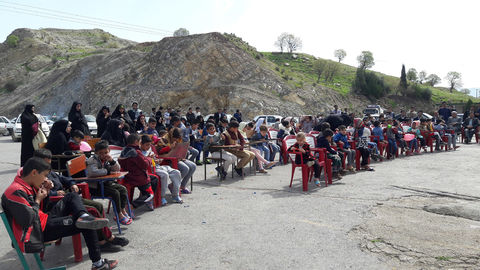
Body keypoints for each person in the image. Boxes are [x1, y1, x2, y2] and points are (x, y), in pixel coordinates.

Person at [1, 157, 118, 269]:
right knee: (88, 225)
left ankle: (83, 216)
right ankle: (98, 265)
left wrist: (47, 191)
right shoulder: (15, 191)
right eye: (45, 176)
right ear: (34, 172)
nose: (46, 179)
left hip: (42, 220)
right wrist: (38, 200)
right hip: (36, 231)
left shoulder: (26, 184)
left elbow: (42, 209)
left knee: (71, 197)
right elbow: (28, 220)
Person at [33, 149, 129, 252]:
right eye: (46, 162)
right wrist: (54, 193)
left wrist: (72, 184)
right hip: (57, 205)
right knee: (92, 210)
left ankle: (103, 237)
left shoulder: (49, 171)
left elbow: (64, 178)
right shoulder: (36, 175)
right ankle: (104, 240)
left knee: (98, 206)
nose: (48, 165)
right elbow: (38, 194)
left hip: (68, 198)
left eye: (49, 162)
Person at [86, 140, 132, 225]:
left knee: (123, 189)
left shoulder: (108, 158)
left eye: (105, 152)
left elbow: (117, 169)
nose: (103, 155)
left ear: (109, 151)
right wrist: (107, 171)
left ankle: (122, 210)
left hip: (106, 184)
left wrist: (112, 161)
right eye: (100, 153)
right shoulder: (92, 160)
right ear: (96, 153)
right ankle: (119, 214)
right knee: (115, 193)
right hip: (96, 187)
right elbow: (92, 172)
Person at [117, 134, 156, 211]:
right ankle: (132, 206)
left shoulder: (124, 150)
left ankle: (144, 199)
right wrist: (149, 158)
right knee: (150, 195)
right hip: (138, 178)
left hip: (128, 176)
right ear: (136, 142)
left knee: (154, 179)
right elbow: (145, 165)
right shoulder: (135, 152)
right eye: (140, 141)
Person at [140, 135, 182, 204]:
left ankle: (175, 195)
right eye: (146, 145)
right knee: (164, 175)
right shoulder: (139, 152)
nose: (148, 147)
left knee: (176, 172)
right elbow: (142, 164)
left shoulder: (150, 149)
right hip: (151, 169)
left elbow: (156, 158)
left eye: (149, 145)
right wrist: (148, 158)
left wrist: (157, 160)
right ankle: (162, 196)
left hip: (159, 166)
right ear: (141, 144)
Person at [158, 127, 196, 194]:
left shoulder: (179, 138)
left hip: (177, 158)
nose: (176, 140)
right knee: (185, 168)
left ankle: (182, 186)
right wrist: (171, 148)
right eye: (174, 139)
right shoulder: (164, 140)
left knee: (193, 166)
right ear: (171, 136)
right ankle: (173, 185)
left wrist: (183, 152)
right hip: (167, 160)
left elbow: (179, 148)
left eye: (178, 139)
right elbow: (160, 154)